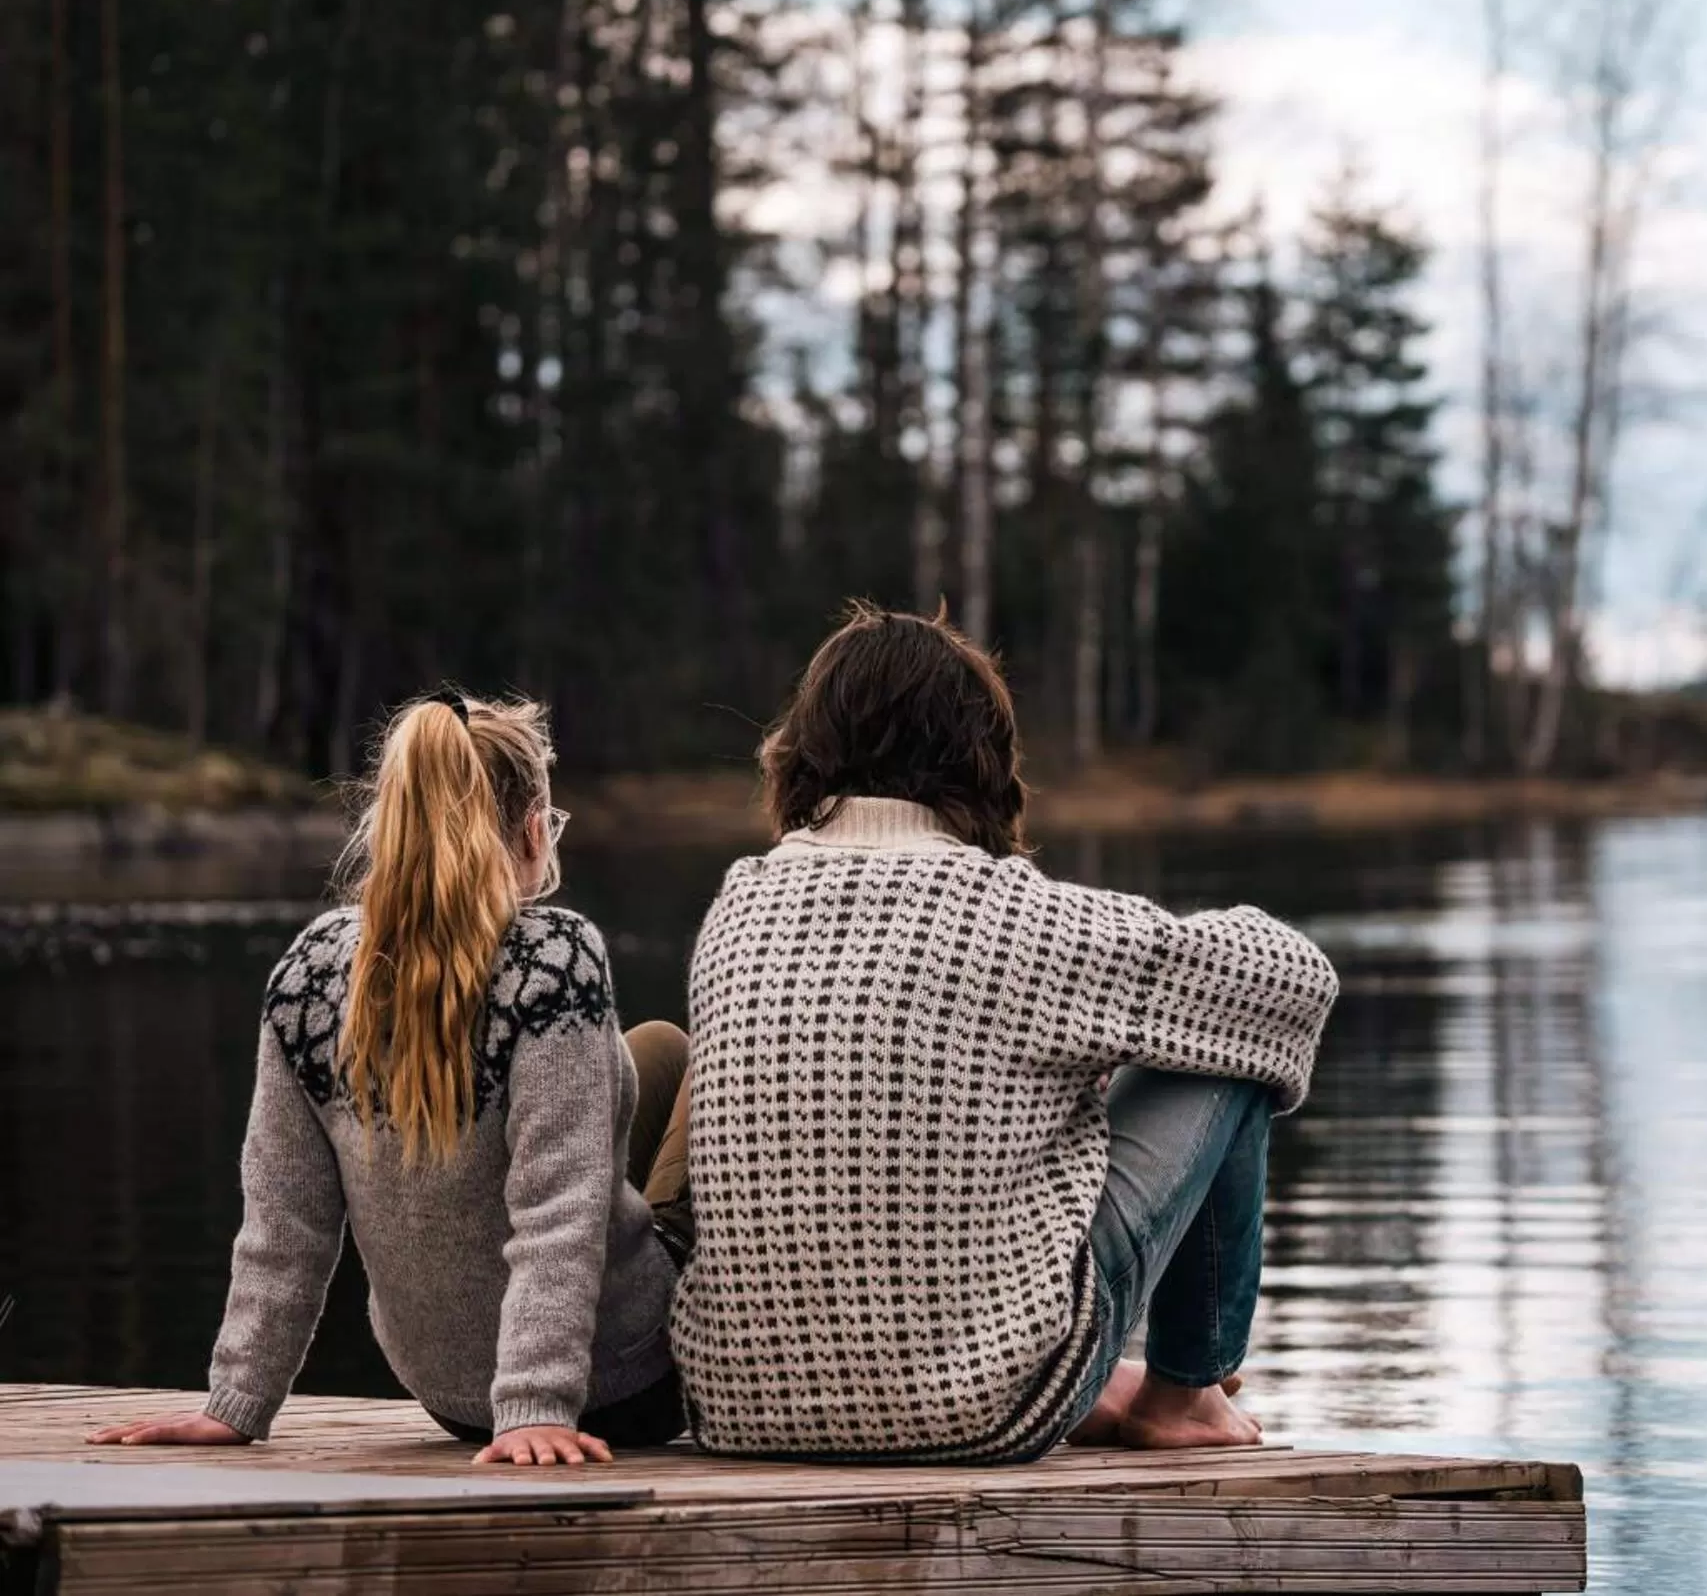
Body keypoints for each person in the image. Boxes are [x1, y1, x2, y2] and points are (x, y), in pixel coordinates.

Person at [668, 604, 1340, 1460]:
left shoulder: (739, 902)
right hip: (979, 1411)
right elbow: (1293, 980)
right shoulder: (1010, 915)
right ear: (977, 752)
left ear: (804, 745)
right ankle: (1185, 1394)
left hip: (737, 1410)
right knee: (1227, 1043)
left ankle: (1097, 1383)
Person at [89, 691, 688, 1466]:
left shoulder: (309, 974)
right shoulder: (553, 960)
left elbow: (286, 1220)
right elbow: (559, 1210)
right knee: (695, 1066)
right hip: (618, 1386)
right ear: (532, 828)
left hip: (446, 1391)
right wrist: (534, 1407)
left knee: (653, 1048)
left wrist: (237, 1400)